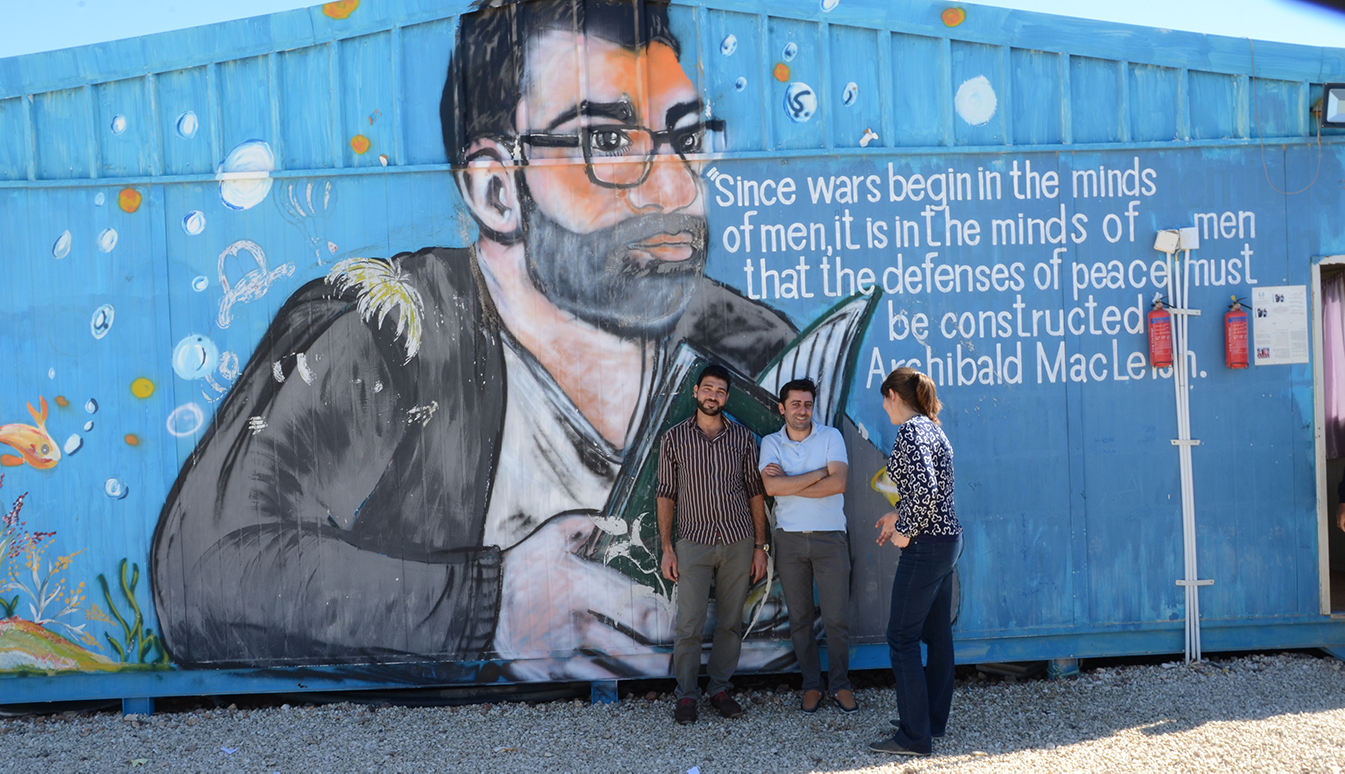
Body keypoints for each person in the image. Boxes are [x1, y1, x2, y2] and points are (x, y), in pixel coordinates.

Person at [150, 0, 796, 672]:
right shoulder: (389, 329)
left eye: (686, 140)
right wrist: (492, 608)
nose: (676, 189)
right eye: (606, 142)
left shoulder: (746, 342)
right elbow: (205, 573)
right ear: (496, 190)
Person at [657, 364, 768, 724]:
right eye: (708, 389)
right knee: (689, 624)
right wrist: (668, 548)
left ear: (727, 397)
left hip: (738, 540)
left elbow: (755, 492)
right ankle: (687, 695)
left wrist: (760, 547)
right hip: (693, 541)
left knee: (730, 622)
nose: (713, 396)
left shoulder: (742, 438)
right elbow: (666, 494)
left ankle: (719, 688)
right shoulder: (674, 439)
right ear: (695, 391)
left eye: (720, 391)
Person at [869, 367, 963, 757]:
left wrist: (905, 528)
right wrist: (900, 515)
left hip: (925, 546)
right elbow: (933, 491)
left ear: (892, 394)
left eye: (884, 400)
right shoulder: (931, 427)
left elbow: (924, 490)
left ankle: (913, 736)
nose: (884, 408)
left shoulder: (909, 431)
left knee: (901, 639)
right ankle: (931, 721)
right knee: (938, 635)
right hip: (947, 540)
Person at [758, 377, 855, 714]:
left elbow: (838, 482)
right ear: (782, 407)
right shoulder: (771, 443)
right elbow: (771, 489)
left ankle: (841, 684)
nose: (803, 410)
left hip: (830, 537)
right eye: (796, 404)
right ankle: (812, 684)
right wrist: (817, 474)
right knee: (799, 619)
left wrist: (789, 482)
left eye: (808, 404)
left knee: (836, 618)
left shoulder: (831, 436)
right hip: (790, 540)